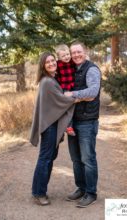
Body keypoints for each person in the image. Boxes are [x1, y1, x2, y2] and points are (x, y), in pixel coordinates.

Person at [30, 52, 77, 206]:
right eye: (47, 62)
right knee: (45, 159)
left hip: (50, 124)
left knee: (48, 158)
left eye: (52, 61)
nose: (51, 63)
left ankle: (38, 191)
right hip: (49, 126)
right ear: (43, 66)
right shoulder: (48, 82)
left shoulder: (50, 79)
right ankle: (39, 193)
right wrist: (78, 97)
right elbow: (62, 100)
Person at [64, 41, 101, 208]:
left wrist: (73, 95)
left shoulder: (91, 69)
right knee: (76, 159)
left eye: (79, 52)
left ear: (85, 52)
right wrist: (79, 97)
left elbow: (92, 92)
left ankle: (91, 193)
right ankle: (81, 188)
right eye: (73, 53)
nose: (76, 55)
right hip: (73, 121)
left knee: (88, 159)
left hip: (87, 122)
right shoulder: (71, 70)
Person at [55, 44, 76, 136]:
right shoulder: (58, 64)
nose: (66, 57)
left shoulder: (72, 62)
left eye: (68, 54)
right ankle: (68, 126)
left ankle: (70, 125)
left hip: (73, 86)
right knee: (67, 107)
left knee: (73, 106)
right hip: (64, 88)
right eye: (63, 56)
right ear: (59, 57)